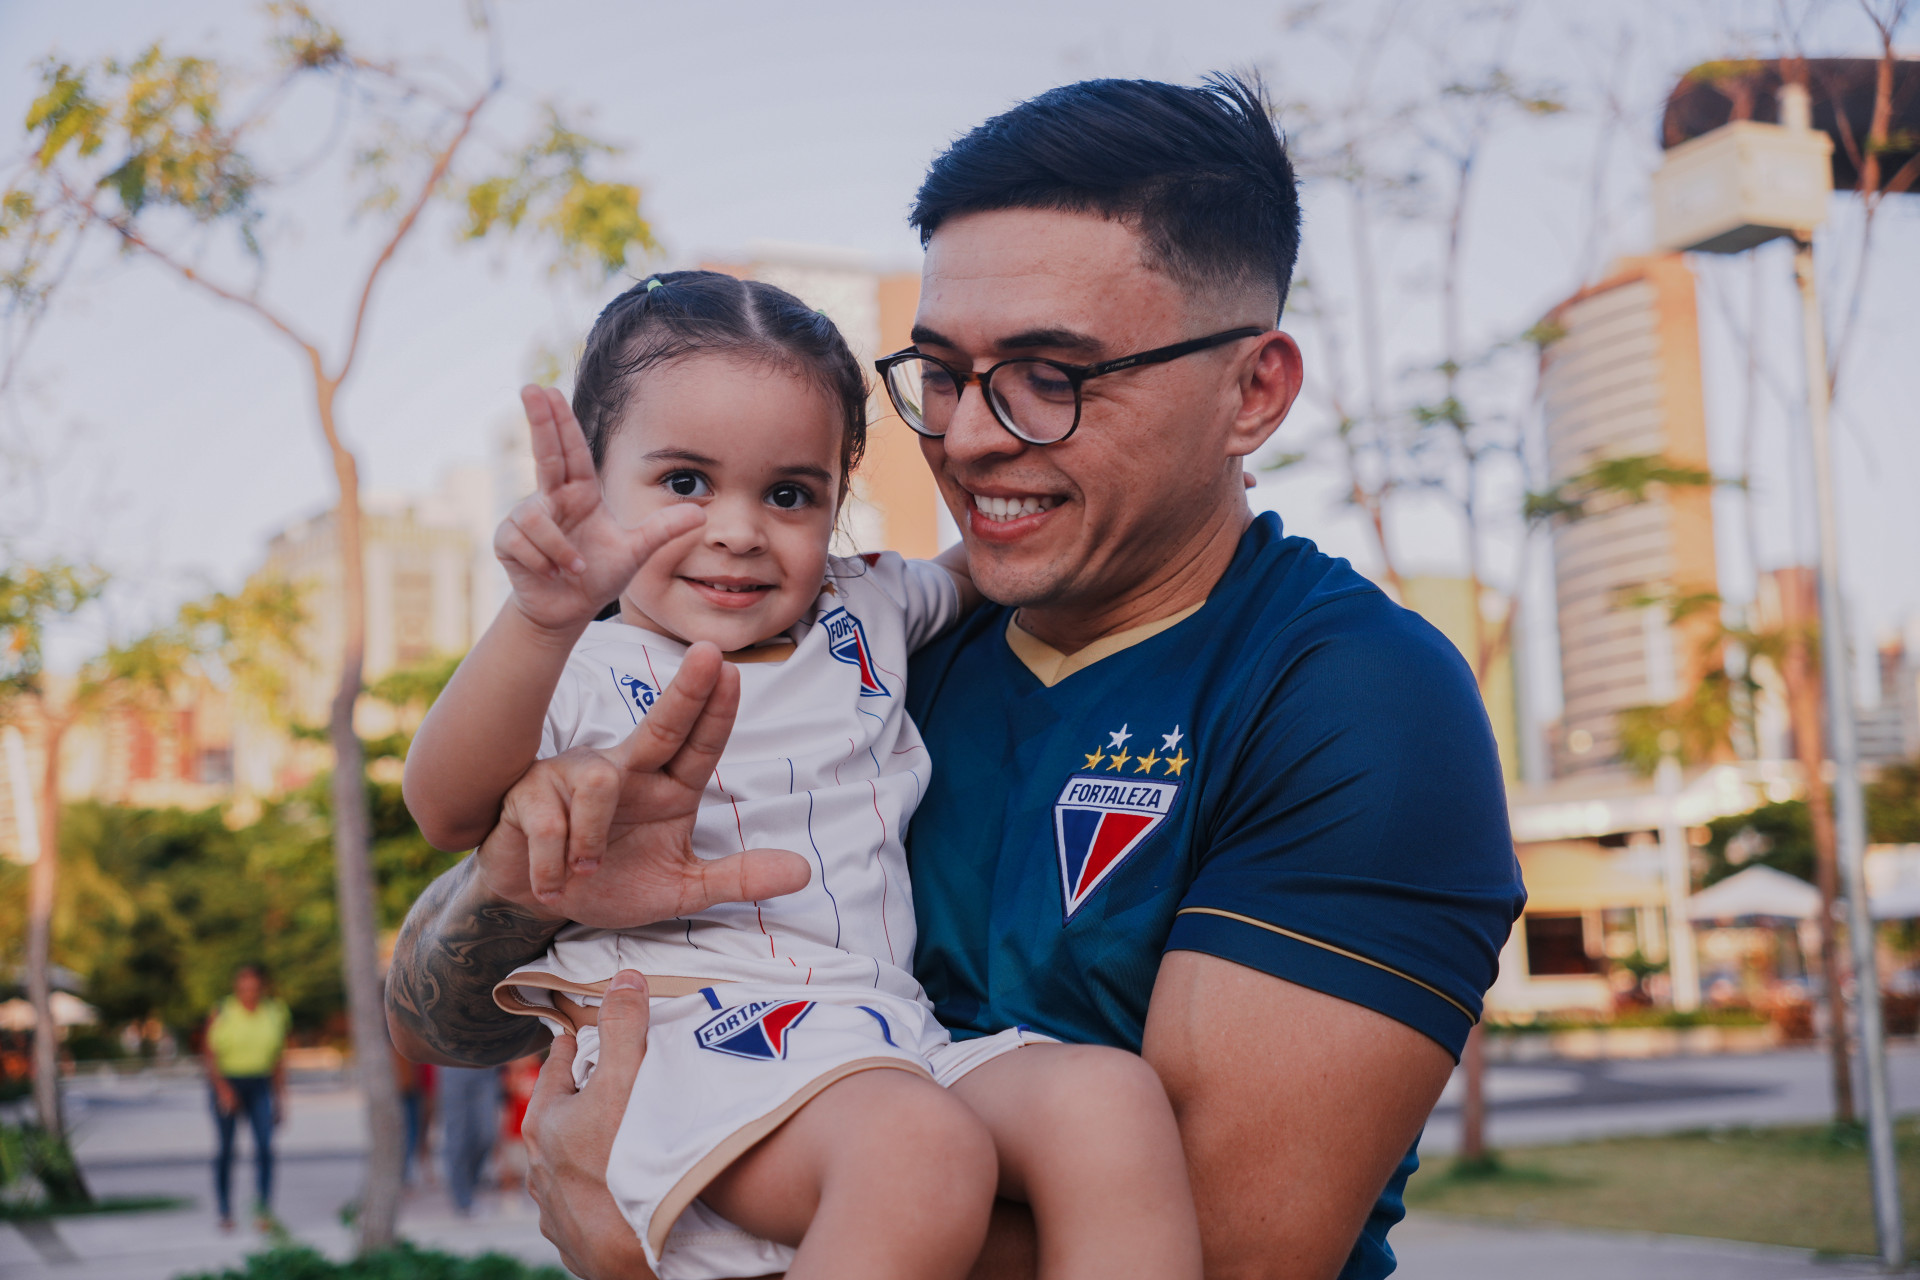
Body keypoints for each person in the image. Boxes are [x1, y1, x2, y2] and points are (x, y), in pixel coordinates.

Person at [388, 74, 1527, 1280]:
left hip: (892, 1097)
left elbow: (1237, 1252)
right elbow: (440, 1014)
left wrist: (669, 1249)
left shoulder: (1349, 697)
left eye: (1052, 375)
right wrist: (543, 880)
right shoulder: (860, 649)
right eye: (940, 371)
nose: (974, 435)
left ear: (1253, 390)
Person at [397, 269, 1201, 1279]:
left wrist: (1155, 493)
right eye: (685, 482)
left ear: (837, 497)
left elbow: (985, 557)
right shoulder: (580, 666)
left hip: (882, 1030)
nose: (737, 528)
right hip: (698, 1039)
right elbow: (441, 806)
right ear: (598, 484)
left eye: (789, 493)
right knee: (918, 1149)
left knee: (1107, 1101)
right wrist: (539, 617)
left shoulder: (865, 610)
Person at [201, 962, 288, 1233]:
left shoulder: (275, 1012)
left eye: (254, 985)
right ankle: (225, 1210)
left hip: (260, 1084)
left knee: (264, 1147)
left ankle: (263, 1210)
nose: (249, 991)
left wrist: (281, 1099)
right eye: (244, 985)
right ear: (237, 986)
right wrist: (223, 1089)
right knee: (227, 1149)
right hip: (228, 1082)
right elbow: (209, 1054)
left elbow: (278, 1059)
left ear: (262, 986)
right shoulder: (223, 1011)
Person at [438, 1064, 501, 1216]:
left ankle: (471, 1186)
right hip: (452, 1063)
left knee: (487, 1134)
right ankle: (462, 1198)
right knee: (457, 1136)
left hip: (485, 1066)